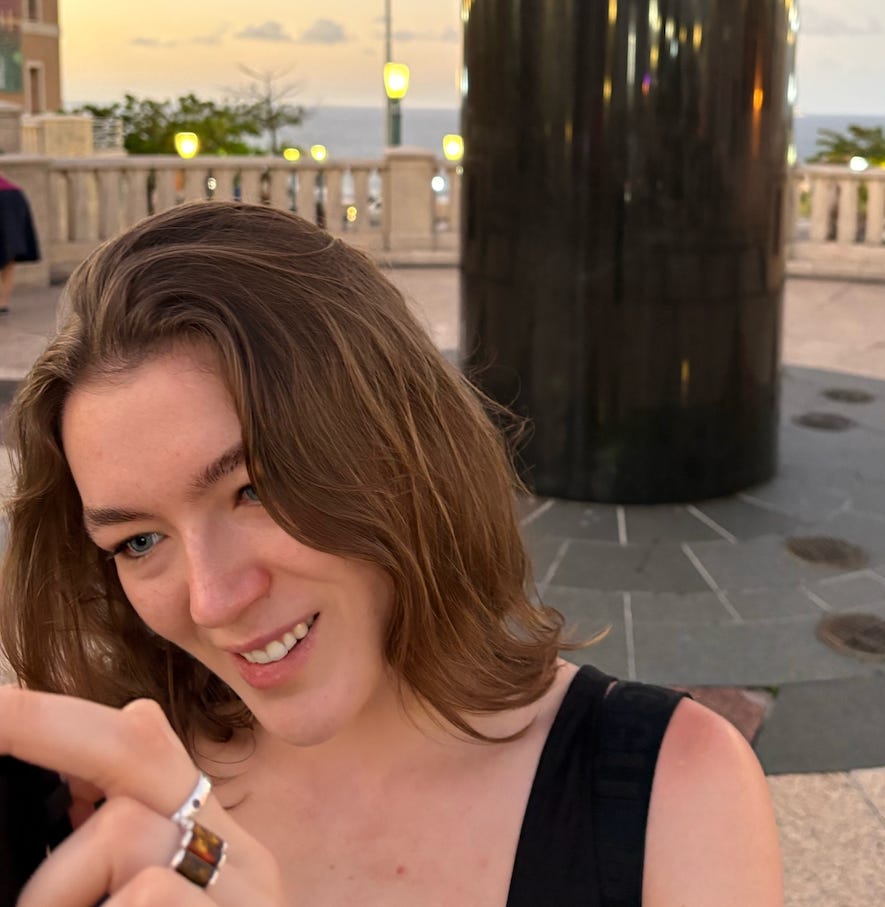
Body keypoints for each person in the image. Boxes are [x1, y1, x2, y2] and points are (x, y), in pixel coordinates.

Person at [0, 201, 783, 906]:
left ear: (397, 449)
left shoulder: (673, 791)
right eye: (139, 541)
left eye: (256, 488)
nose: (212, 598)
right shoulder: (85, 799)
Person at [0, 173, 40, 315]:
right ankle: (3, 303)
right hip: (13, 196)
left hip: (7, 198)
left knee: (7, 253)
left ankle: (3, 303)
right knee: (8, 253)